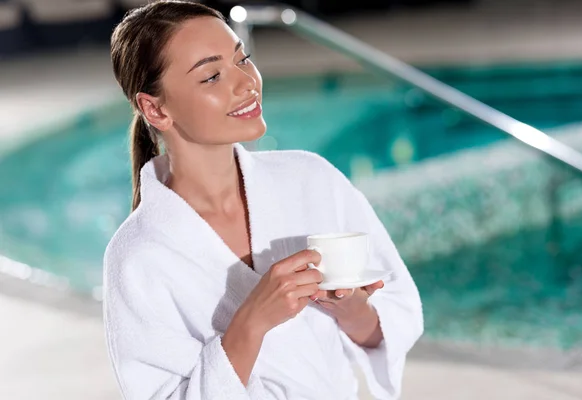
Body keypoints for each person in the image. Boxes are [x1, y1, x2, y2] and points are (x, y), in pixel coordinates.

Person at [103, 1, 423, 399]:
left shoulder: (311, 179)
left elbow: (397, 313)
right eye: (212, 76)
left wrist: (352, 311)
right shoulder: (138, 256)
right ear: (155, 108)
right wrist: (250, 323)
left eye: (243, 59)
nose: (246, 83)